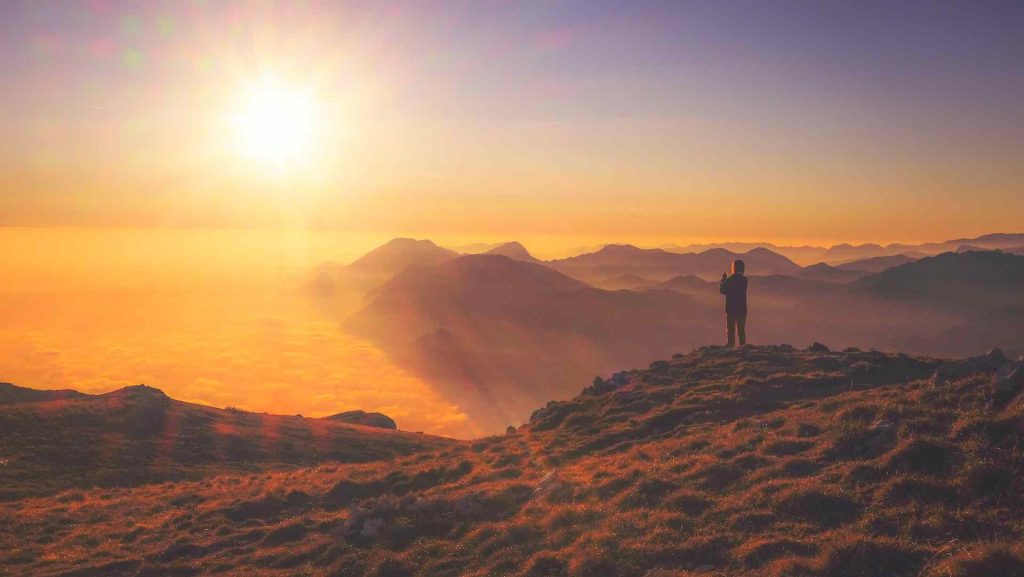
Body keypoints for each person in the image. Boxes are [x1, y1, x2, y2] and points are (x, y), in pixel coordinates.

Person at [719, 259, 748, 346]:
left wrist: (723, 280)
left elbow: (722, 290)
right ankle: (742, 347)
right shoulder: (744, 280)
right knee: (741, 330)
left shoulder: (730, 280)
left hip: (731, 309)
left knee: (731, 330)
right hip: (742, 309)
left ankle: (731, 347)